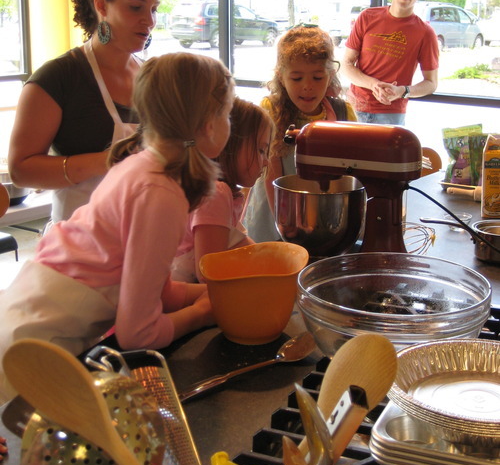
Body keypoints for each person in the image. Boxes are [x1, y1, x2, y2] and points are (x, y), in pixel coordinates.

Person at [0, 52, 235, 404]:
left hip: (28, 326)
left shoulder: (143, 166)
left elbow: (159, 290)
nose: (229, 122)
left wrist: (211, 294)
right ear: (209, 125)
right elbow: (137, 334)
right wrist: (203, 313)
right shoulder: (161, 193)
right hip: (26, 358)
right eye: (227, 113)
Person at [8, 0, 160, 223]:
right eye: (136, 7)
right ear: (101, 5)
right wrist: (105, 161)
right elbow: (21, 171)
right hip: (77, 243)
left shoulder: (153, 76)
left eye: (154, 9)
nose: (149, 20)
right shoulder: (58, 77)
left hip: (142, 232)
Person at [243, 24, 356, 243]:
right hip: (275, 214)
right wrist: (286, 225)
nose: (307, 87)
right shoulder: (271, 110)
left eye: (317, 77)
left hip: (323, 213)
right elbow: (271, 174)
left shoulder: (343, 112)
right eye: (296, 78)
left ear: (331, 74)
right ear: (281, 76)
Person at [172, 96, 273, 282]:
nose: (266, 161)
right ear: (229, 144)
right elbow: (208, 274)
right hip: (180, 291)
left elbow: (242, 244)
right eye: (260, 150)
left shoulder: (224, 192)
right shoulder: (216, 193)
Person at [341, 0, 439, 125]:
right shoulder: (367, 17)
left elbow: (431, 83)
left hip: (391, 114)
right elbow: (346, 64)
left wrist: (402, 91)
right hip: (354, 107)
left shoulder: (425, 33)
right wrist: (374, 85)